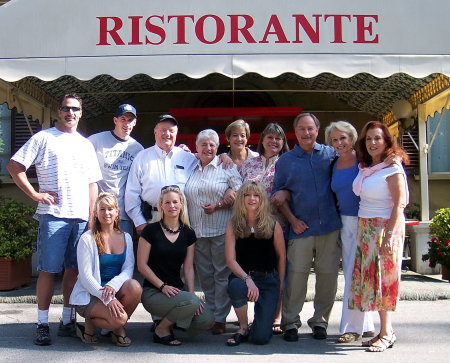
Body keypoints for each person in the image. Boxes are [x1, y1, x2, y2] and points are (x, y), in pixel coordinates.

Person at [6, 93, 102, 345]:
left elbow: (93, 183)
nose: (70, 113)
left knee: (73, 271)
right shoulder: (43, 137)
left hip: (81, 218)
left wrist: (92, 217)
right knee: (48, 270)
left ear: (81, 113)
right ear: (59, 112)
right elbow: (15, 167)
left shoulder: (85, 144)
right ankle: (41, 323)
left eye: (75, 109)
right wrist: (36, 194)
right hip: (54, 216)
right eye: (66, 108)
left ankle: (68, 321)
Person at [272, 112, 342, 341]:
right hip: (300, 229)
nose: (306, 133)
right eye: (301, 129)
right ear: (296, 132)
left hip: (329, 227)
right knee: (296, 278)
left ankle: (320, 321)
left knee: (328, 277)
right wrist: (292, 221)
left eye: (310, 128)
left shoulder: (331, 155)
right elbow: (278, 196)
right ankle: (290, 322)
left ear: (317, 130)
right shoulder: (286, 161)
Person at [349, 121, 409, 352]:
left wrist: (387, 236)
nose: (373, 143)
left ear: (386, 141)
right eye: (368, 139)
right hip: (366, 228)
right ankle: (381, 330)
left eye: (377, 138)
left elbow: (399, 205)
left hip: (385, 227)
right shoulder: (367, 167)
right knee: (371, 280)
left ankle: (387, 332)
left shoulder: (393, 168)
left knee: (384, 279)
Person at [125, 114, 233, 236]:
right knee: (152, 255)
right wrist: (139, 222)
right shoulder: (142, 157)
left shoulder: (187, 157)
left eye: (171, 131)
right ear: (155, 132)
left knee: (181, 255)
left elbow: (208, 160)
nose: (167, 134)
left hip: (182, 220)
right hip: (152, 219)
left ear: (176, 133)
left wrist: (223, 156)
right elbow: (132, 192)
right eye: (163, 130)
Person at [137, 185, 214, 346]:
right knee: (190, 303)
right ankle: (161, 330)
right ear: (161, 205)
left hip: (178, 292)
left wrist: (192, 294)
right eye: (167, 202)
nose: (172, 206)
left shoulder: (188, 233)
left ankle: (168, 323)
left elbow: (188, 268)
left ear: (181, 204)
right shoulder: (150, 230)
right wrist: (162, 286)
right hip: (154, 292)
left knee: (207, 319)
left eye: (175, 202)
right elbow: (142, 266)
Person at [185, 129, 242, 335]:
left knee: (221, 274)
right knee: (205, 275)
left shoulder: (226, 166)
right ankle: (209, 313)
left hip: (220, 230)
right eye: (204, 144)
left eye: (212, 145)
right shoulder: (190, 165)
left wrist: (220, 203)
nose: (208, 148)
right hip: (197, 231)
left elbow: (241, 192)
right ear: (197, 147)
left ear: (217, 148)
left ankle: (220, 318)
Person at [324, 121, 375, 343]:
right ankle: (366, 324)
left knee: (359, 275)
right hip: (344, 225)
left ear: (352, 138)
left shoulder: (365, 160)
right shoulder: (332, 163)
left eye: (342, 138)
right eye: (334, 140)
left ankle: (351, 327)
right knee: (353, 274)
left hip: (365, 221)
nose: (339, 143)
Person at [70, 193, 142, 346]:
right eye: (102, 209)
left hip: (112, 291)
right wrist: (107, 297)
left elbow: (128, 269)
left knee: (135, 287)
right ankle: (94, 325)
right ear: (96, 213)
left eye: (110, 209)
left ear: (117, 212)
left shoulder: (126, 237)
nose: (106, 213)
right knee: (120, 318)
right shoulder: (87, 239)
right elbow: (85, 276)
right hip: (90, 294)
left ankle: (114, 328)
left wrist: (113, 286)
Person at [240, 122, 289, 334]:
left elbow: (292, 188)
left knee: (277, 268)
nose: (274, 141)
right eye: (270, 137)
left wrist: (285, 193)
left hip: (276, 225)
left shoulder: (286, 163)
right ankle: (251, 318)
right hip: (250, 228)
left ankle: (276, 315)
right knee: (254, 268)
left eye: (278, 138)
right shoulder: (249, 164)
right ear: (262, 140)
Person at [225, 181, 286, 346]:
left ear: (262, 199)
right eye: (247, 195)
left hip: (268, 280)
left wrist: (280, 284)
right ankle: (243, 328)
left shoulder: (274, 225)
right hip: (243, 279)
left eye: (256, 195)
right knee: (235, 286)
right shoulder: (233, 224)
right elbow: (230, 260)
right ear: (241, 199)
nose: (252, 198)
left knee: (260, 338)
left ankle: (258, 326)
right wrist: (247, 279)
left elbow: (281, 257)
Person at [88, 104, 144, 236]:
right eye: (123, 119)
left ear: (135, 122)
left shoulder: (138, 149)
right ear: (115, 120)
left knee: (123, 252)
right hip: (99, 212)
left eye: (130, 120)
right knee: (98, 252)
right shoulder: (96, 140)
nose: (126, 124)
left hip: (123, 213)